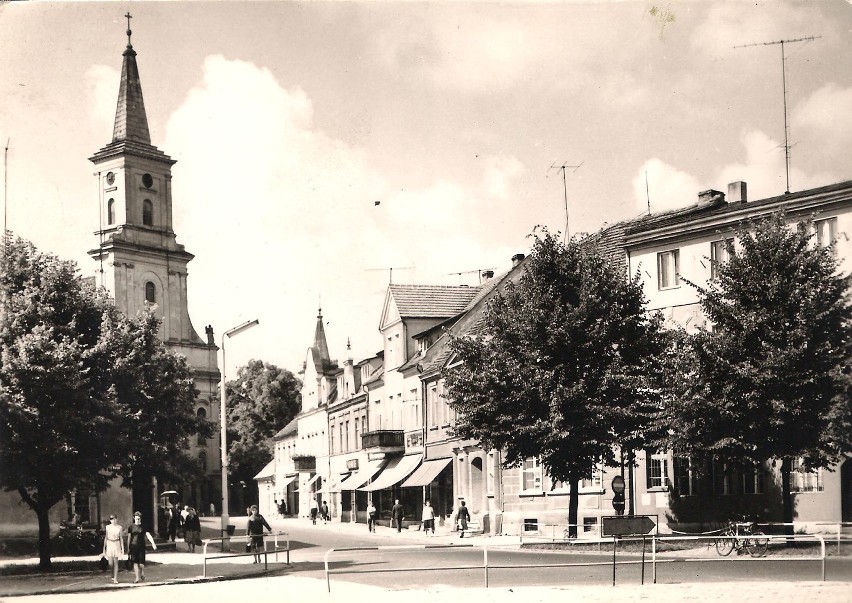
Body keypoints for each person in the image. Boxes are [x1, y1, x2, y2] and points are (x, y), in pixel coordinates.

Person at [126, 511, 157, 583]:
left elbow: (148, 535)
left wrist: (153, 543)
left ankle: (142, 571)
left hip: (141, 546)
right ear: (134, 518)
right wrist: (128, 548)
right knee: (135, 562)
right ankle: (137, 578)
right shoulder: (131, 527)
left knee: (141, 564)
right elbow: (129, 538)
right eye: (136, 519)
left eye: (139, 519)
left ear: (140, 519)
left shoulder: (144, 526)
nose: (137, 520)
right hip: (133, 546)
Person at [102, 514, 125, 584]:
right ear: (110, 520)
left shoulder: (119, 527)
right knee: (110, 563)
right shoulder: (108, 527)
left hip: (116, 543)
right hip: (109, 543)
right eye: (112, 519)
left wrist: (122, 548)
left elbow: (121, 538)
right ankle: (112, 574)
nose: (113, 520)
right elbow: (106, 537)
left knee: (116, 562)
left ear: (117, 519)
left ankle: (115, 578)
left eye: (115, 519)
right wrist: (104, 548)